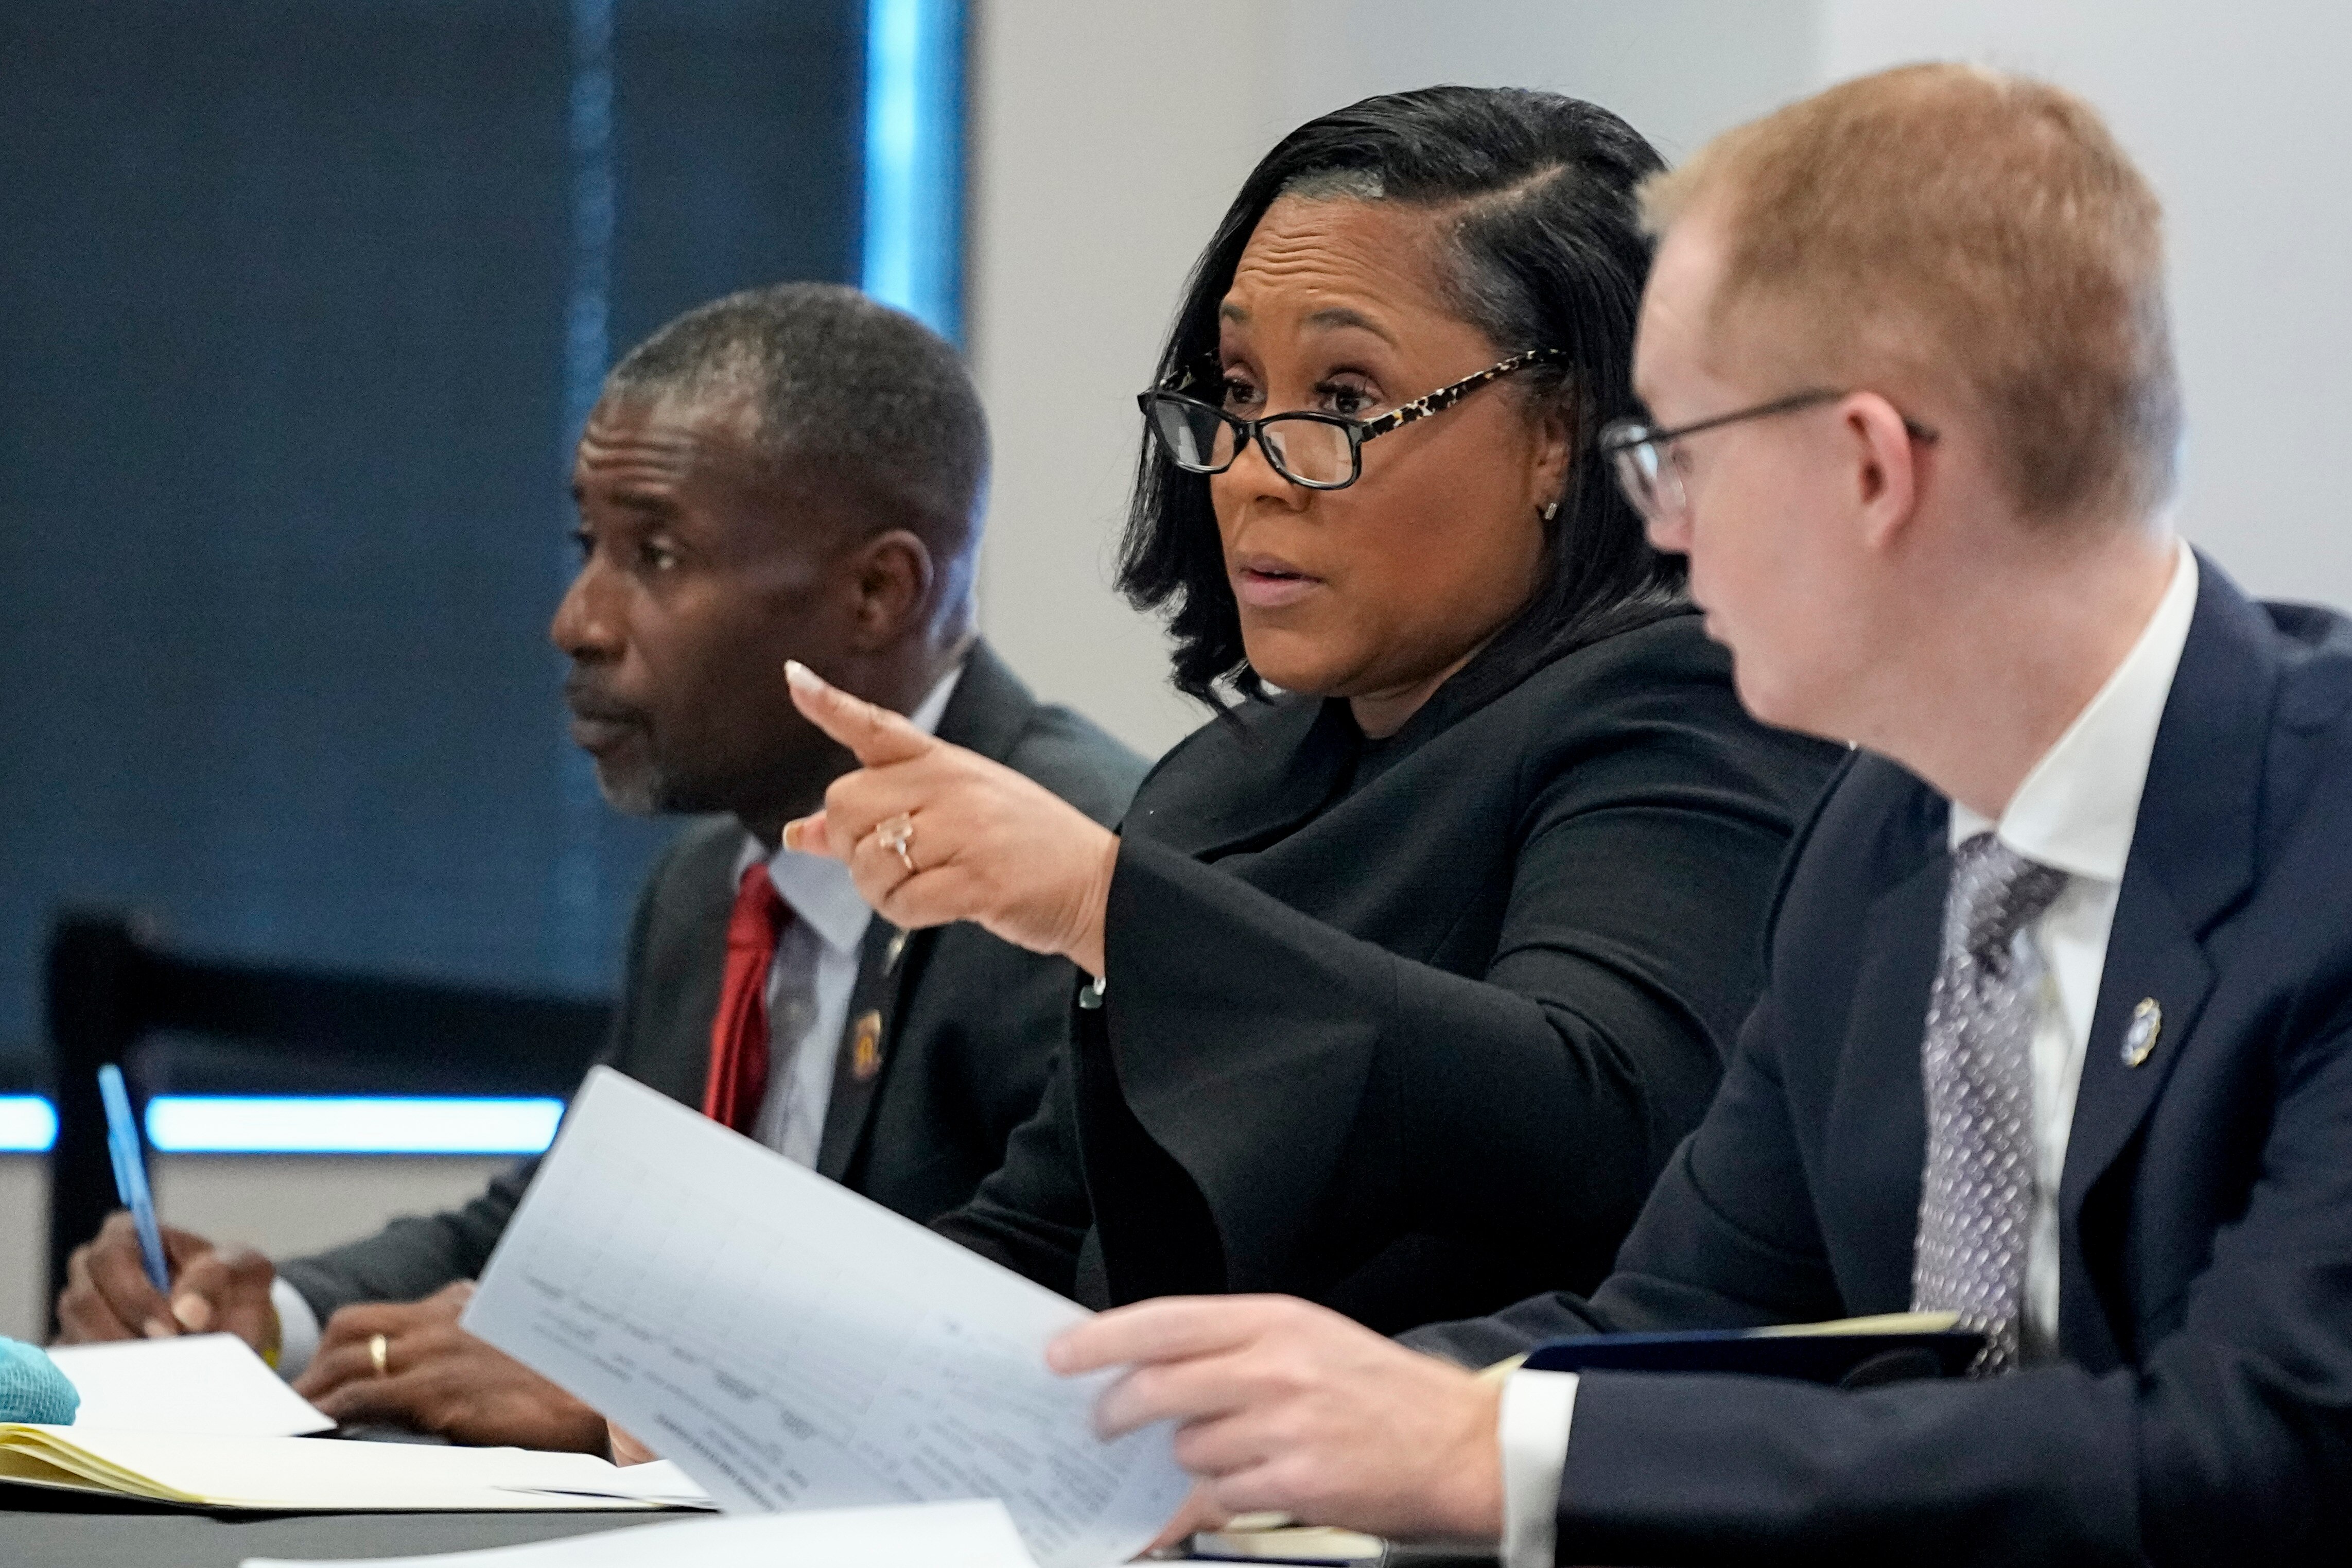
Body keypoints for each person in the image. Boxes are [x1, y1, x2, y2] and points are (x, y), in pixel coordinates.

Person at [1050, 63, 2352, 1566]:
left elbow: (2258, 1451)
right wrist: (1280, 1424)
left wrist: (1496, 1447)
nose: (1653, 524)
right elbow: (1681, 1322)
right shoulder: (1880, 843)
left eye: (1675, 452)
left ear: (1869, 466)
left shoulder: (2317, 835)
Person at [779, 85, 1843, 1338]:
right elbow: (1049, 1236)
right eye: (1234, 388)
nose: (1244, 466)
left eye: (1342, 400)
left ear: (1558, 432)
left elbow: (1604, 1114)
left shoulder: (1681, 701)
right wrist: (766, 1353)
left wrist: (1102, 905)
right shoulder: (1223, 778)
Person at [54, 283, 1146, 1450]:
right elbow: (556, 1233)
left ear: (877, 591)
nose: (577, 618)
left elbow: (1090, 1358)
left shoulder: (1084, 883)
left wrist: (641, 1398)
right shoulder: (704, 888)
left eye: (657, 554)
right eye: (590, 547)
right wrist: (255, 1312)